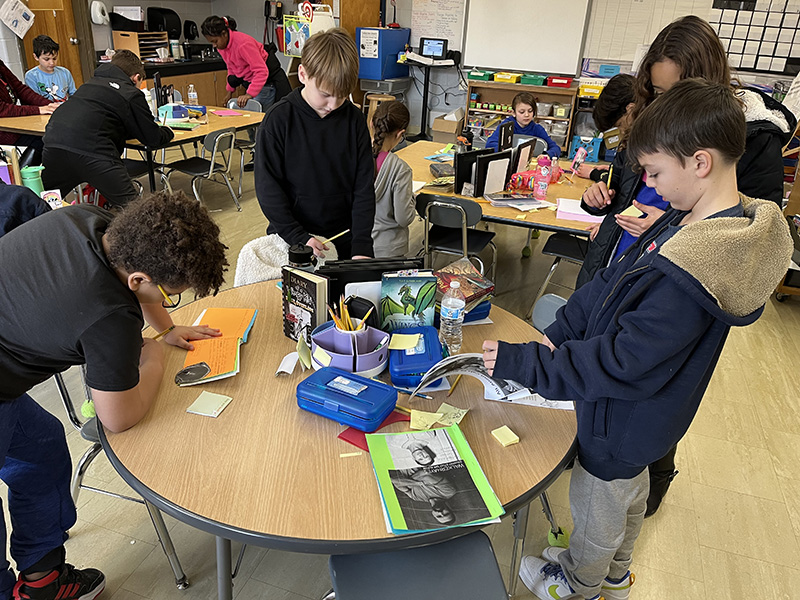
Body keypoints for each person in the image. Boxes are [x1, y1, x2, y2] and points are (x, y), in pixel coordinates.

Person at [481, 79, 793, 600]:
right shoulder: (682, 220)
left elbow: (624, 360)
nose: (648, 184)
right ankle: (616, 573)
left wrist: (531, 365)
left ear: (699, 162)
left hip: (621, 418)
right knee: (627, 494)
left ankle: (580, 584)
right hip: (636, 418)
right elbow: (608, 285)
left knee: (599, 502)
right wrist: (552, 338)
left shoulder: (693, 266)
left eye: (654, 172)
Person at [576, 16, 797, 515]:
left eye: (672, 91)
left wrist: (669, 224)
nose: (660, 102)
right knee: (605, 351)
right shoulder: (650, 121)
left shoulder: (751, 136)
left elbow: (746, 236)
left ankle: (648, 475)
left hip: (679, 276)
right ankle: (597, 447)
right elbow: (634, 179)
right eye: (655, 91)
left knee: (651, 387)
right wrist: (608, 202)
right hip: (627, 254)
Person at [0, 190, 228, 600]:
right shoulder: (109, 316)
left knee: (42, 448)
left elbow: (143, 287)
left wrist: (165, 329)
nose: (166, 301)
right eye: (170, 294)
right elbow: (117, 417)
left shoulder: (96, 223)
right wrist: (155, 358)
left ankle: (43, 578)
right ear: (138, 280)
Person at [255, 28, 376, 260]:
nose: (333, 104)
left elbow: (363, 188)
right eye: (325, 94)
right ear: (303, 74)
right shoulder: (279, 120)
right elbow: (268, 189)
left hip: (344, 237)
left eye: (341, 96)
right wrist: (298, 236)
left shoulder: (354, 120)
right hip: (292, 239)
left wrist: (362, 245)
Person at [41, 50, 173, 209]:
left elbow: (101, 118)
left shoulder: (89, 84)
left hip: (54, 144)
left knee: (45, 205)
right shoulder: (130, 93)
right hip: (94, 151)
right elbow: (152, 138)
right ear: (136, 78)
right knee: (134, 211)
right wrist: (168, 131)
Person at [201, 15, 291, 111]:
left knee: (257, 119)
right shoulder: (222, 47)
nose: (214, 45)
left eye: (215, 41)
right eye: (212, 42)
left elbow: (261, 71)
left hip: (265, 83)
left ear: (224, 34)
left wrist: (249, 94)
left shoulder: (243, 44)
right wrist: (229, 92)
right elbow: (232, 68)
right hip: (251, 82)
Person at [371, 101, 415, 257]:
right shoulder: (400, 169)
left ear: (371, 124)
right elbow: (403, 218)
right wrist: (412, 200)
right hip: (389, 249)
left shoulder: (354, 157)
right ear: (400, 134)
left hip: (357, 245)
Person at [573, 74, 635, 181]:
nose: (621, 132)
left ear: (630, 109)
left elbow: (628, 183)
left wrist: (595, 174)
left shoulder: (646, 142)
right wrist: (615, 171)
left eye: (620, 125)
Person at [0, 58, 59, 167]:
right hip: (4, 130)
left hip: (11, 123)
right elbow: (2, 109)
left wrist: (49, 105)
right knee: (44, 138)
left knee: (52, 134)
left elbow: (20, 89)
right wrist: (38, 110)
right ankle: (23, 177)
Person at [485, 92, 560, 157]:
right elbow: (490, 144)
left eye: (530, 111)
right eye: (522, 112)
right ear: (513, 113)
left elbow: (555, 148)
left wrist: (547, 155)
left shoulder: (537, 129)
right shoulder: (506, 126)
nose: (526, 115)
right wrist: (504, 152)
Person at [24, 35, 77, 102]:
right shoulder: (31, 76)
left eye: (54, 58)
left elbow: (74, 95)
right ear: (36, 57)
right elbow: (35, 101)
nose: (52, 63)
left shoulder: (65, 72)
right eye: (46, 59)